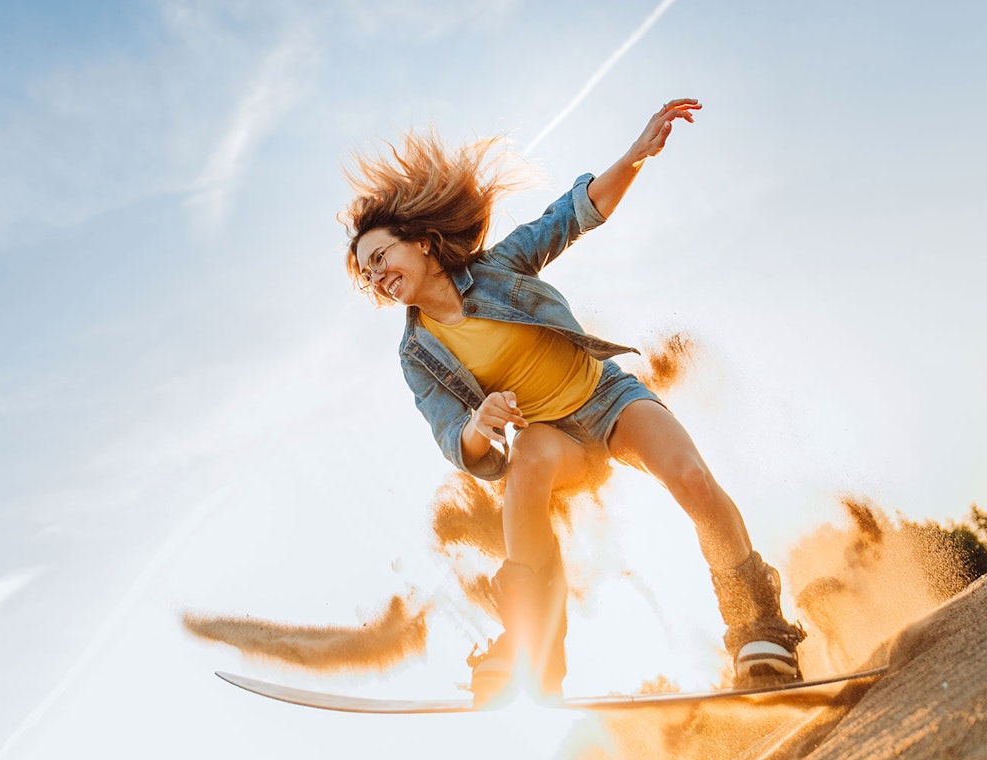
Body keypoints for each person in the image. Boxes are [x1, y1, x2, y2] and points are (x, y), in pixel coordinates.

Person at [341, 98, 805, 708]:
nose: (376, 276)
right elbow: (457, 440)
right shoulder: (416, 354)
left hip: (606, 398)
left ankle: (760, 632)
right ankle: (532, 647)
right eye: (366, 273)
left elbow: (573, 214)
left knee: (691, 479)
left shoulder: (499, 267)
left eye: (381, 257)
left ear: (424, 244)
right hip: (553, 439)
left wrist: (636, 155)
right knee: (526, 463)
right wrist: (480, 422)